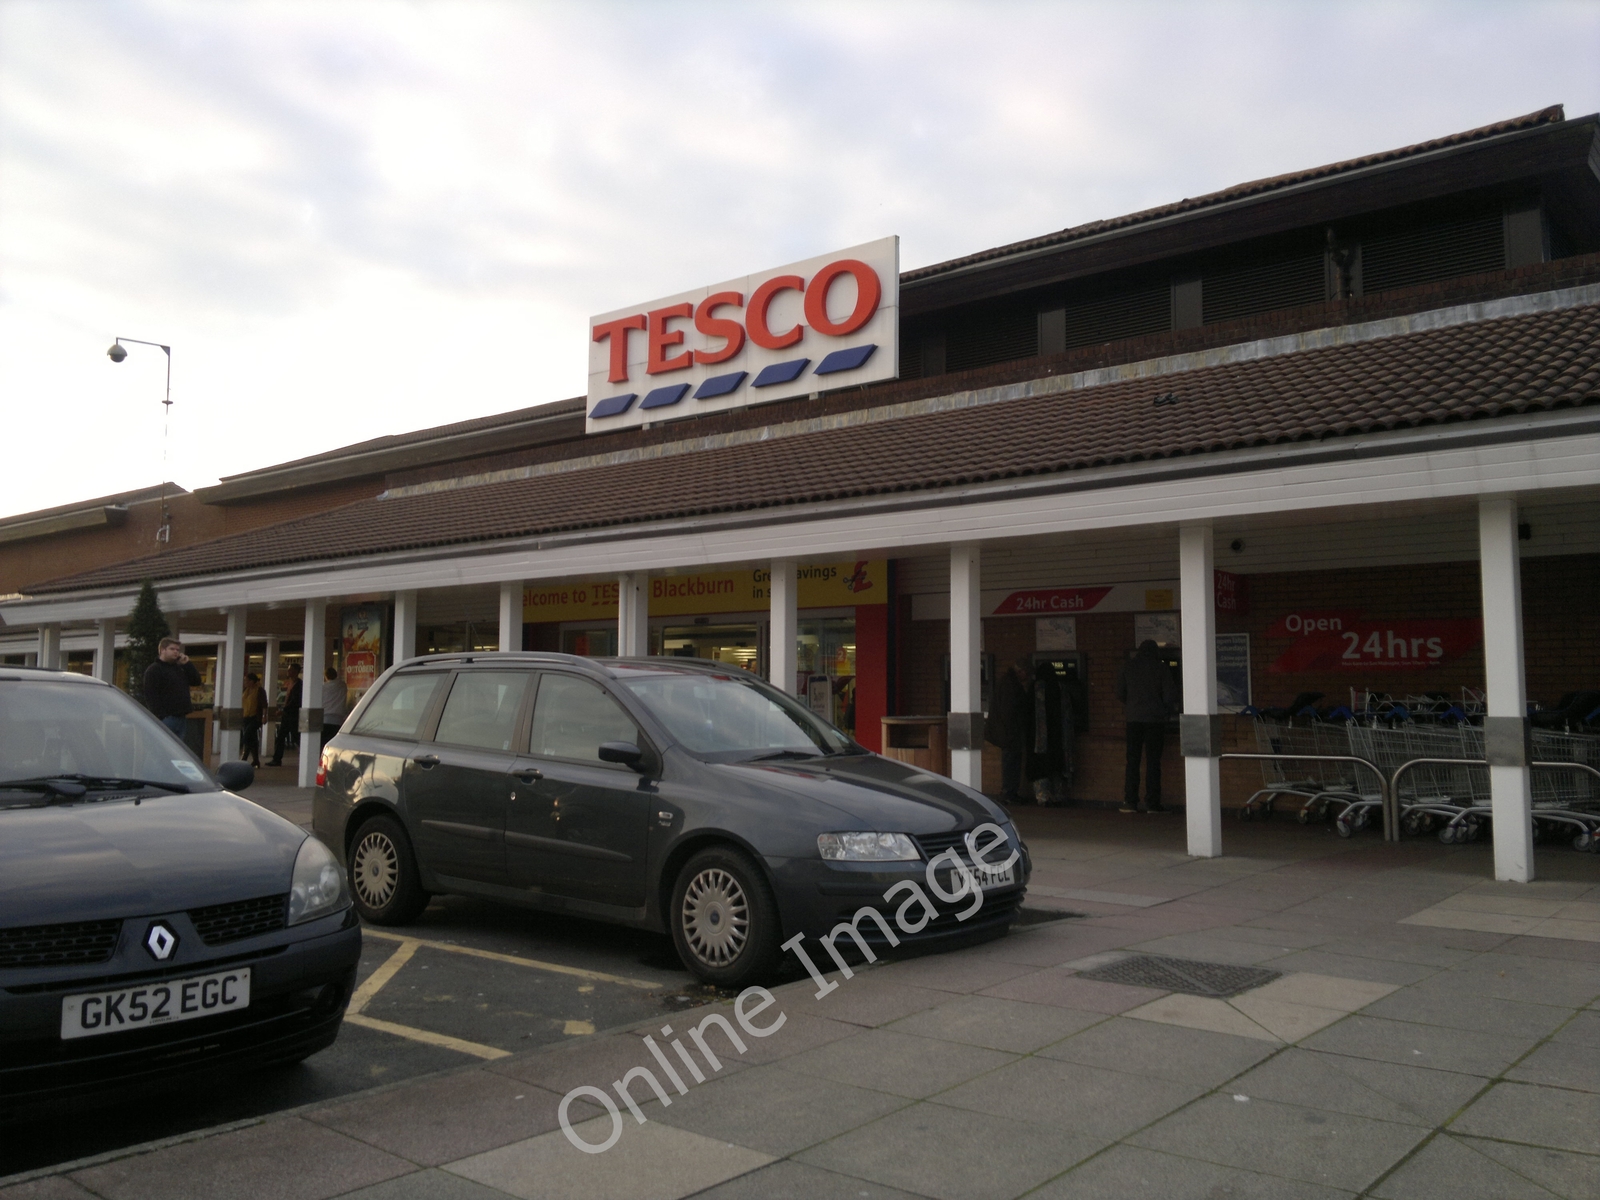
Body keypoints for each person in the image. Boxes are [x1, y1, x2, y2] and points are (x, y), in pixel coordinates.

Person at [1116, 639, 1179, 813]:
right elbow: (1170, 695)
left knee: (1132, 761)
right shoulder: (1161, 668)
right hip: (1155, 720)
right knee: (1153, 762)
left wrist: (1132, 705)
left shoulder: (1127, 667)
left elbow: (1119, 693)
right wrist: (1164, 708)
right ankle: (1152, 803)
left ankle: (1130, 801)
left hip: (1133, 720)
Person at [986, 658, 1032, 805]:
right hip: (1010, 733)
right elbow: (1009, 712)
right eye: (1027, 673)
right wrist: (1013, 732)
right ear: (1021, 671)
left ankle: (1010, 792)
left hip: (1007, 732)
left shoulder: (1007, 682)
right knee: (1011, 763)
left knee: (1010, 762)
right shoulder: (1011, 685)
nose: (1028, 677)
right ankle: (1009, 793)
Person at [143, 637, 202, 740]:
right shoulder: (154, 670)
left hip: (181, 717)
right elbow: (151, 695)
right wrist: (161, 716)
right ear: (162, 650)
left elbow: (196, 681)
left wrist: (187, 664)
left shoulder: (179, 668)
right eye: (172, 649)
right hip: (167, 718)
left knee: (178, 751)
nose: (176, 652)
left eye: (177, 650)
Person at [268, 664, 302, 766]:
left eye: (290, 670)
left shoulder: (299, 684)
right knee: (281, 737)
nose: (288, 672)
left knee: (297, 737)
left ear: (295, 671)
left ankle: (308, 755)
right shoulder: (291, 683)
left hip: (293, 715)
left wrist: (284, 709)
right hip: (287, 715)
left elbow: (295, 701)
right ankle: (277, 759)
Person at [239, 672, 264, 768]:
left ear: (252, 681)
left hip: (255, 717)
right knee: (252, 738)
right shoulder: (246, 691)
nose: (245, 682)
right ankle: (256, 760)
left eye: (246, 680)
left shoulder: (259, 690)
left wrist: (264, 716)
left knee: (247, 735)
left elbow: (264, 704)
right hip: (246, 716)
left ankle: (244, 757)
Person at [321, 666, 348, 744]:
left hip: (325, 718)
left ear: (326, 676)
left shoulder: (323, 687)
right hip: (338, 719)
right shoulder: (343, 686)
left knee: (324, 743)